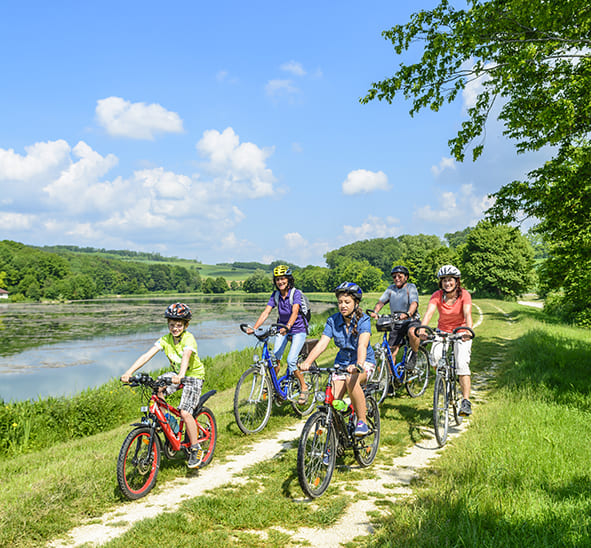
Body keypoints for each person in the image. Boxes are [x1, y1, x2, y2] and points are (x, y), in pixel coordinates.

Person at [121, 302, 206, 468]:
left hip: (193, 376)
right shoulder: (165, 340)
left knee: (185, 412)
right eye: (172, 325)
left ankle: (195, 449)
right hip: (177, 375)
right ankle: (170, 424)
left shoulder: (189, 338)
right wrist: (129, 372)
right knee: (157, 388)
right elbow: (147, 355)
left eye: (179, 325)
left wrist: (181, 375)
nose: (175, 328)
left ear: (186, 325)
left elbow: (186, 356)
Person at [299, 282, 375, 436]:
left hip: (363, 362)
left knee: (350, 380)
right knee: (331, 402)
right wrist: (307, 362)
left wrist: (358, 365)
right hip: (341, 364)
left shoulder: (363, 320)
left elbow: (362, 345)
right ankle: (333, 443)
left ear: (356, 303)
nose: (343, 305)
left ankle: (362, 421)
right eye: (340, 302)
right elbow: (322, 345)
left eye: (347, 302)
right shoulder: (332, 321)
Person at [247, 265, 309, 404]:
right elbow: (266, 312)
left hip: (298, 329)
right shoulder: (275, 295)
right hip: (282, 329)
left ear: (288, 280)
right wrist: (254, 328)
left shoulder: (295, 293)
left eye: (283, 279)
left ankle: (304, 387)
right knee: (275, 358)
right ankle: (274, 387)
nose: (280, 282)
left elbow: (295, 311)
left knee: (291, 360)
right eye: (277, 280)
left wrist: (288, 326)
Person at [419, 265, 473, 416]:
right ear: (440, 283)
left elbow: (467, 313)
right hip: (442, 331)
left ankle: (465, 401)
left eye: (450, 280)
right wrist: (423, 329)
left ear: (457, 281)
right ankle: (445, 383)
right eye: (444, 281)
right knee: (434, 357)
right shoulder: (437, 295)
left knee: (462, 363)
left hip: (461, 332)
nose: (447, 283)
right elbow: (429, 313)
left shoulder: (464, 295)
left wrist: (468, 330)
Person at [369, 265, 421, 369]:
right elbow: (381, 302)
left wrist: (408, 313)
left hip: (411, 320)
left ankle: (414, 354)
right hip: (396, 323)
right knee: (390, 351)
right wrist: (375, 312)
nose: (397, 278)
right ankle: (392, 380)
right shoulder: (390, 289)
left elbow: (414, 303)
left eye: (399, 276)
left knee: (412, 332)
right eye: (394, 277)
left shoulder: (410, 287)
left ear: (406, 277)